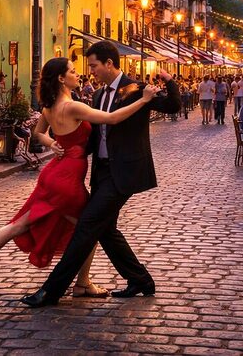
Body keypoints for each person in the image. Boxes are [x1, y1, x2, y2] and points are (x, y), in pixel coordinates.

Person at [0, 56, 162, 301]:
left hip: (52, 173)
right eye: (72, 71)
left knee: (17, 225)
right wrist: (143, 100)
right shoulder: (72, 107)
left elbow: (38, 133)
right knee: (90, 228)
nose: (78, 73)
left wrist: (52, 143)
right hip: (68, 179)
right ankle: (82, 283)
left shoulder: (49, 106)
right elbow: (112, 118)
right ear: (61, 78)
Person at [20, 41, 181, 307]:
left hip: (125, 171)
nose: (90, 71)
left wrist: (169, 80)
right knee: (106, 230)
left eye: (94, 65)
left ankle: (51, 290)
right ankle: (141, 280)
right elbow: (96, 134)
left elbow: (173, 106)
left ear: (108, 63)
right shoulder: (96, 95)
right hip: (101, 170)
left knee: (87, 226)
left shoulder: (136, 89)